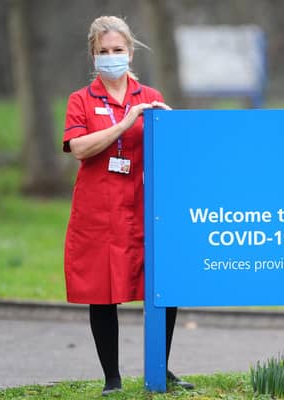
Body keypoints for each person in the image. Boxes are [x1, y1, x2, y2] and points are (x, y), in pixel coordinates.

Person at [62, 16, 193, 396]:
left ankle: (161, 367)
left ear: (130, 52)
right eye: (103, 52)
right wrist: (124, 123)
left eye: (117, 50)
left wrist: (174, 130)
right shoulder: (80, 101)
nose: (111, 57)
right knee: (102, 292)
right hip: (98, 211)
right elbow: (79, 148)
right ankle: (112, 380)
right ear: (93, 55)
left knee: (164, 286)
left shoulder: (149, 95)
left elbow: (172, 153)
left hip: (145, 209)